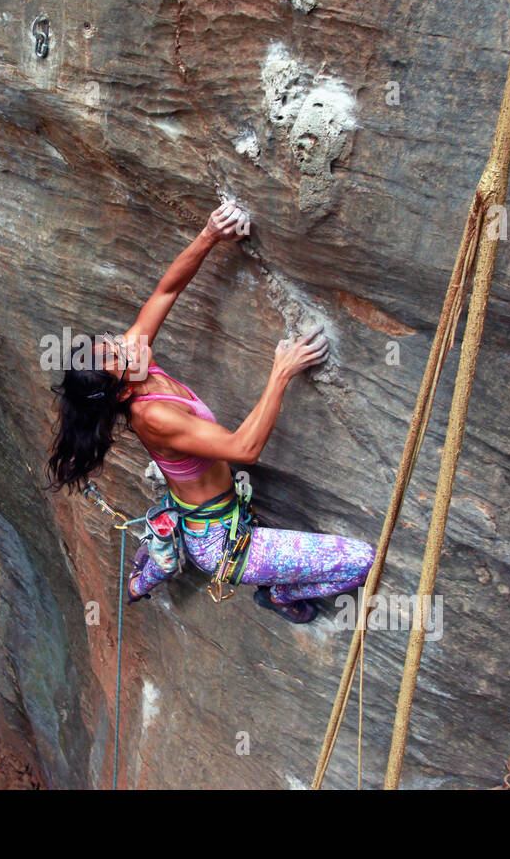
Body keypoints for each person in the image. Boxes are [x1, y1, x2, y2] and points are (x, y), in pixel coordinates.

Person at [44, 201, 375, 623]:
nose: (129, 342)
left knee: (164, 550)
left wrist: (209, 233)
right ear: (123, 389)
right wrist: (282, 372)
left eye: (113, 340)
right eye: (119, 353)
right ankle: (280, 596)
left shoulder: (135, 362)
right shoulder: (154, 416)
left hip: (206, 511)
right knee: (361, 560)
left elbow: (167, 290)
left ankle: (151, 566)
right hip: (220, 542)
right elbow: (244, 447)